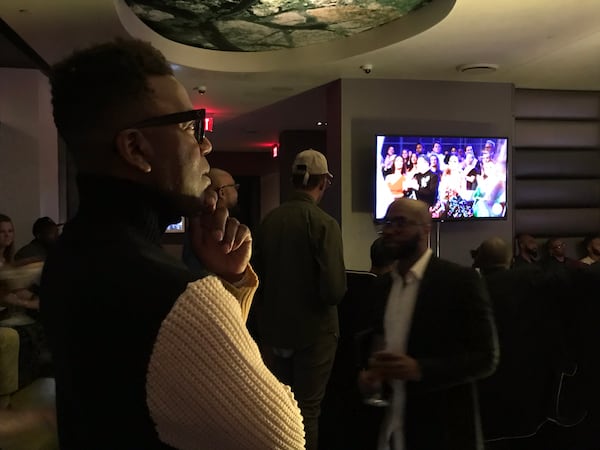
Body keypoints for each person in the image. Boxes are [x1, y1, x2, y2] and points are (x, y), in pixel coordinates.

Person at [39, 39, 304, 450]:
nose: (206, 145)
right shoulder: (178, 299)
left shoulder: (68, 254)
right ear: (135, 148)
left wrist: (225, 280)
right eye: (187, 125)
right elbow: (283, 438)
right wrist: (217, 294)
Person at [359, 198, 498, 450]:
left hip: (441, 430)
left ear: (425, 228)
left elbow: (486, 358)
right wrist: (370, 378)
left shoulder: (459, 282)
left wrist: (420, 369)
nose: (390, 230)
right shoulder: (382, 287)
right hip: (389, 428)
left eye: (400, 223)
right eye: (387, 222)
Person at [253, 149, 347, 450]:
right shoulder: (324, 224)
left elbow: (256, 280)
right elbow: (333, 290)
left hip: (273, 331)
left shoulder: (269, 221)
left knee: (278, 406)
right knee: (307, 410)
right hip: (315, 334)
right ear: (323, 182)